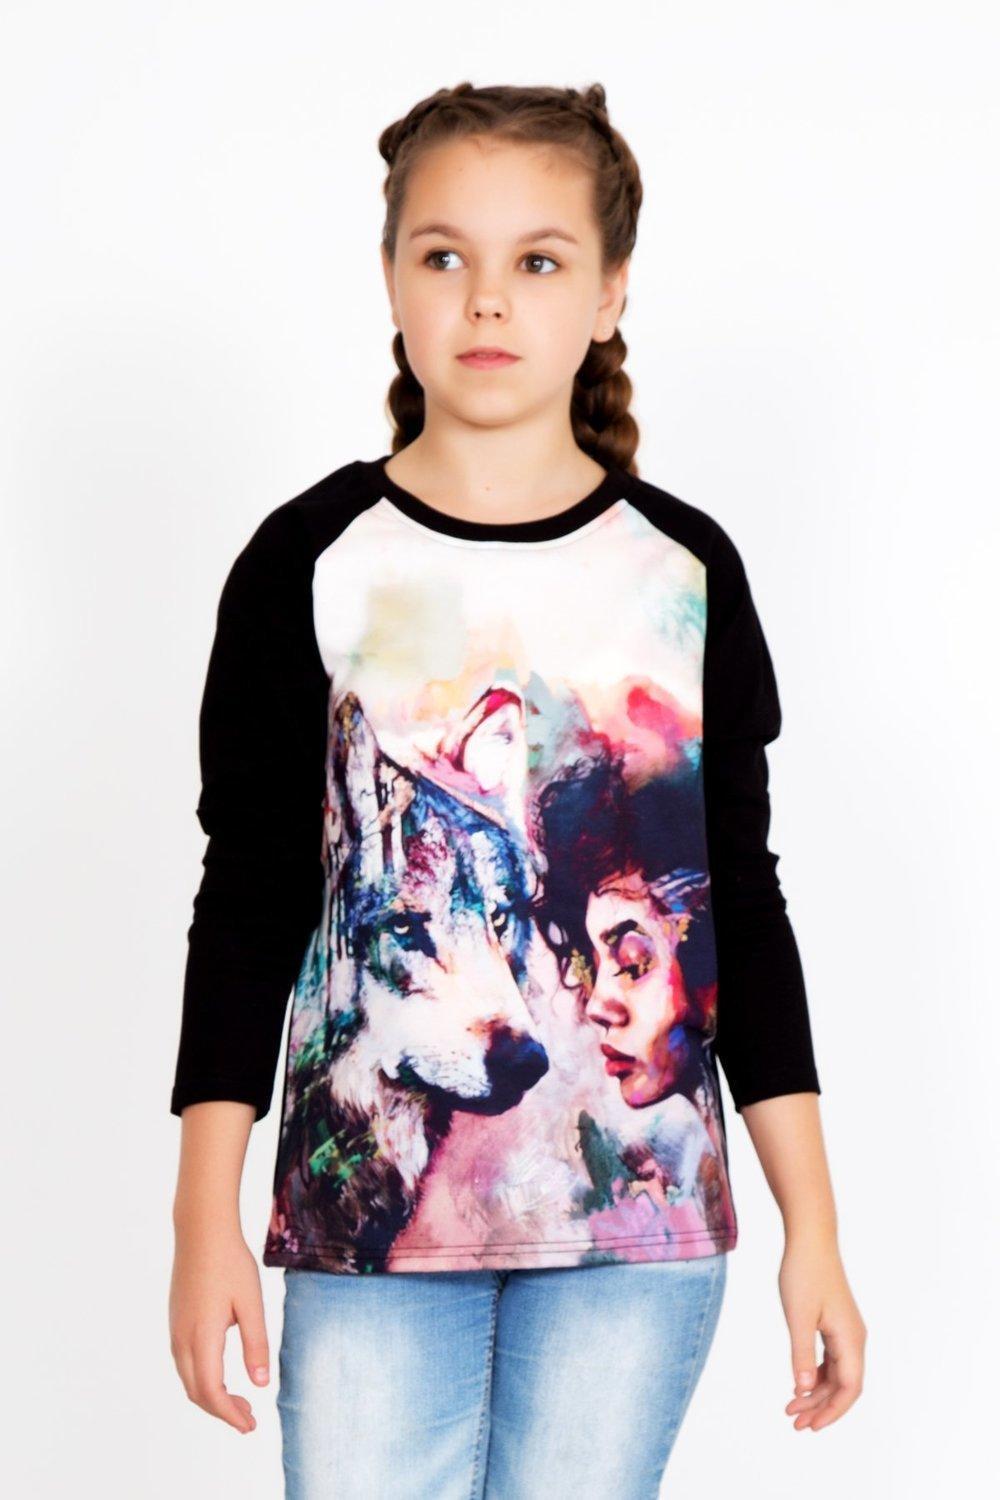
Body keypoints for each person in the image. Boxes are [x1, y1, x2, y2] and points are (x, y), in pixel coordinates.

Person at [168, 80, 866, 1498]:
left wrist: (817, 1229)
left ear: (610, 292)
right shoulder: (309, 561)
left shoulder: (685, 570)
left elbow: (743, 908)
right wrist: (202, 1221)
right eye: (445, 255)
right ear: (392, 279)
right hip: (367, 1248)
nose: (487, 298)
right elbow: (248, 902)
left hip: (639, 1240)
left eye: (538, 261)